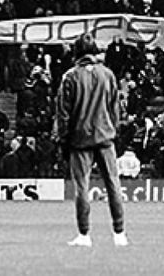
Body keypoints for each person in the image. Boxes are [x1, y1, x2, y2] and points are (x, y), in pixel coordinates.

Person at [54, 33, 128, 248]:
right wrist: (112, 130)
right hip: (105, 137)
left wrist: (64, 140)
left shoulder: (70, 77)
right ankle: (119, 233)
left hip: (80, 140)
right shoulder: (108, 74)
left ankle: (84, 235)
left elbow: (63, 113)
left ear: (76, 53)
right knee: (113, 184)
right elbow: (115, 108)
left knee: (82, 188)